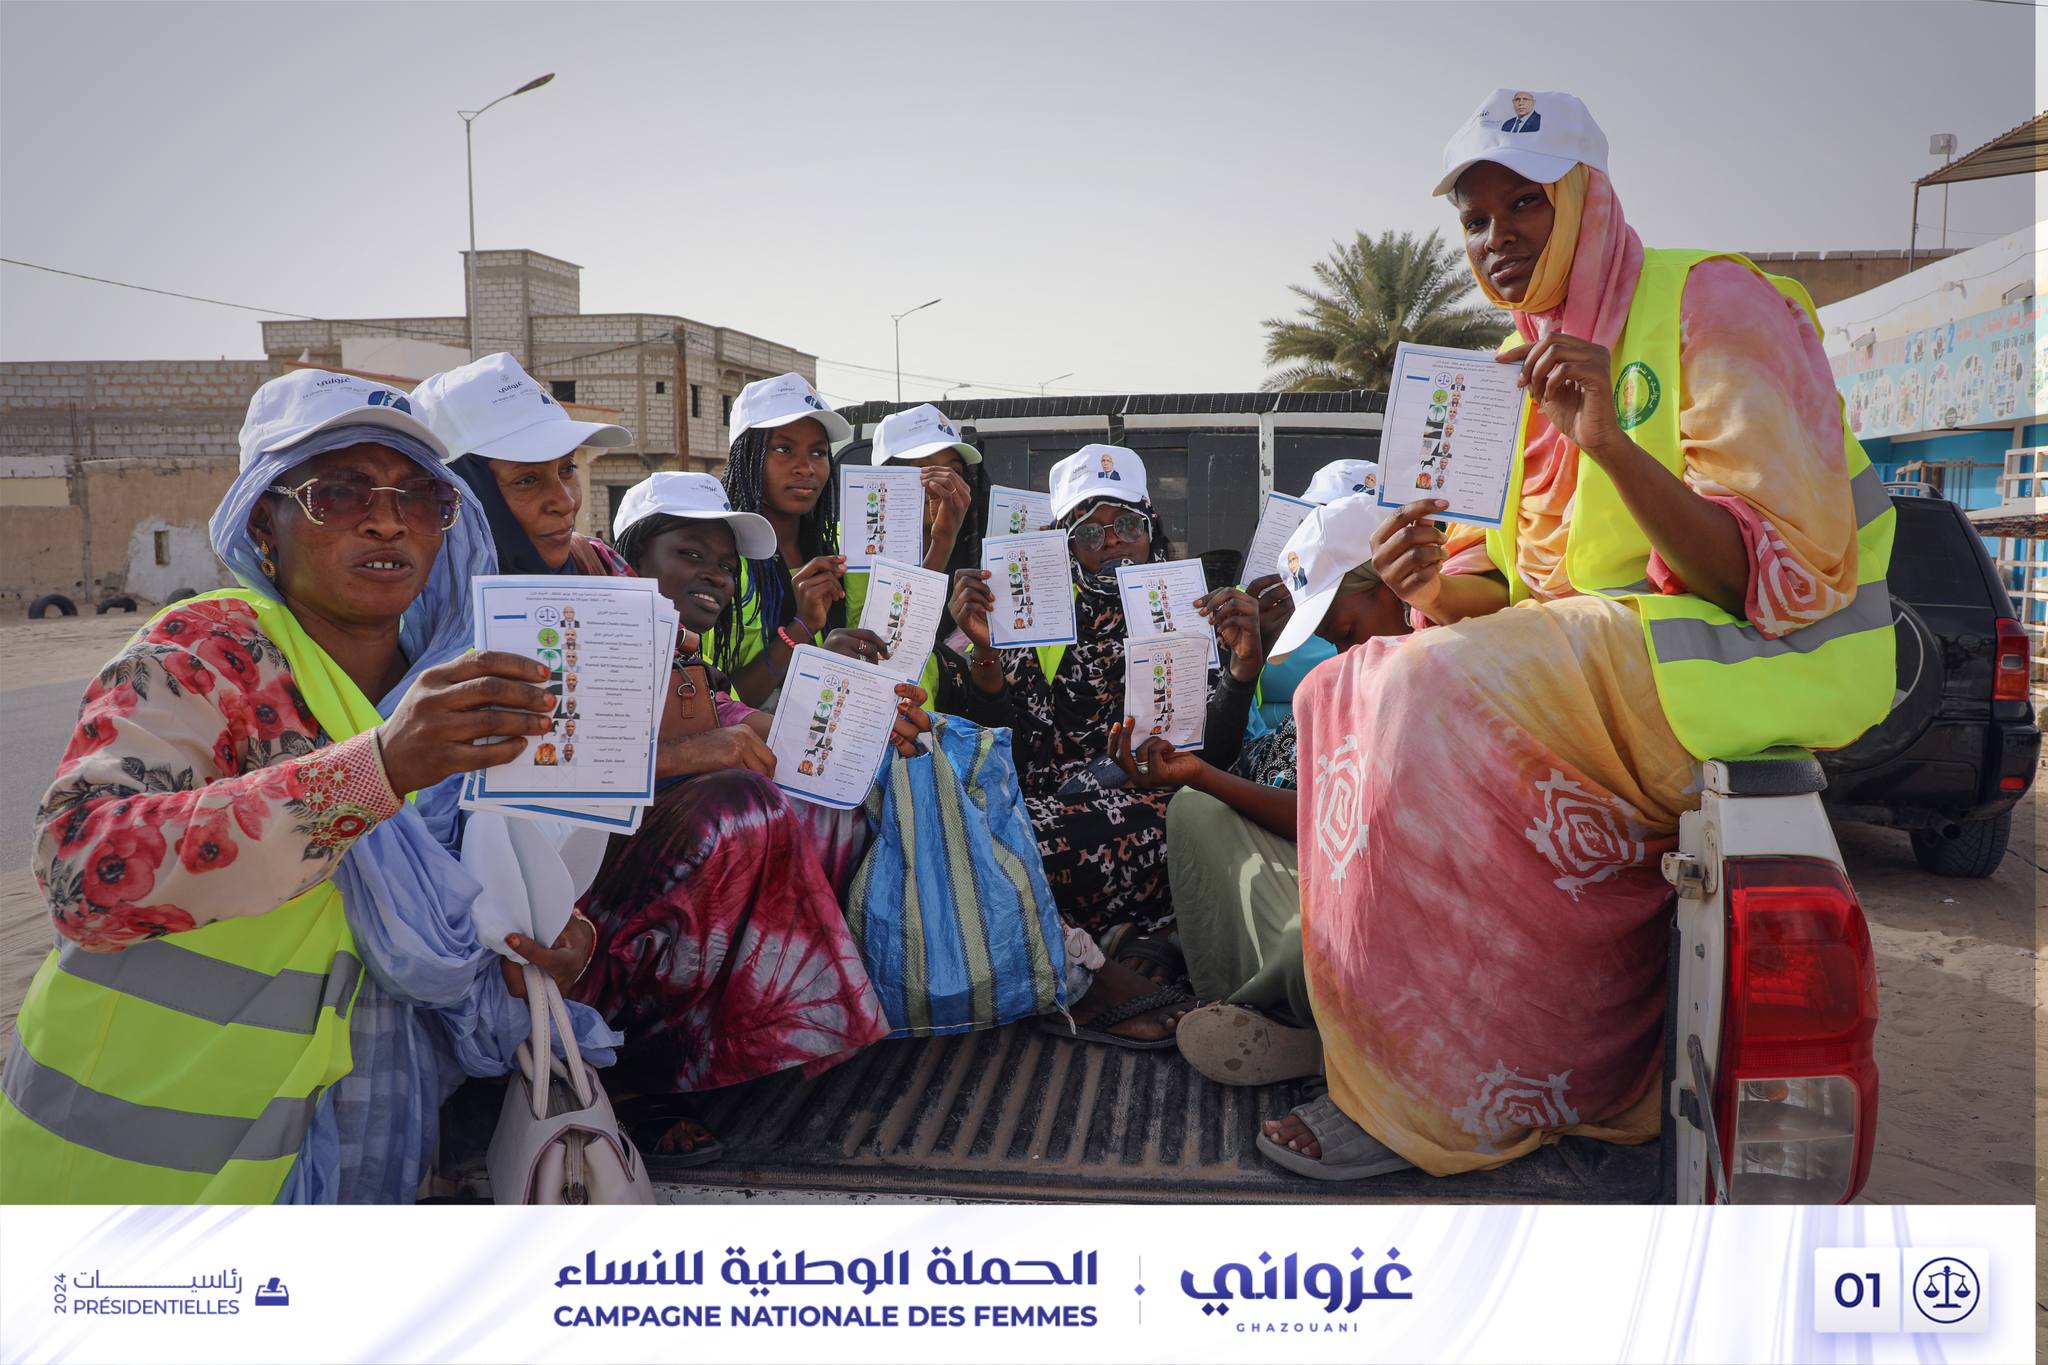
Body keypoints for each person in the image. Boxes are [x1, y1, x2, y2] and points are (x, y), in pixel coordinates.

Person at [1261, 89, 1892, 1181]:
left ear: (1586, 200)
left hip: (1746, 668)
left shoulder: (1713, 300)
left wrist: (1611, 445)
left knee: (1418, 691)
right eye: (1474, 219)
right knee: (1337, 688)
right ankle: (1397, 1042)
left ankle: (1446, 1098)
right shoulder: (1517, 365)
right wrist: (1430, 586)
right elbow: (1517, 592)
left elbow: (1766, 578)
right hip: (1599, 669)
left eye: (1525, 205)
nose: (1495, 237)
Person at [1, 370, 610, 1203]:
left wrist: (536, 949)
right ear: (265, 522)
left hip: (359, 1153)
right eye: (339, 492)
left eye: (418, 495)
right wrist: (375, 770)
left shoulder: (459, 687)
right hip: (134, 1174)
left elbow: (459, 908)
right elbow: (82, 873)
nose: (387, 519)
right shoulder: (204, 653)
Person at [576, 472, 931, 1162]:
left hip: (639, 896)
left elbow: (770, 730)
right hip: (574, 912)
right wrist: (692, 755)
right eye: (690, 554)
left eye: (724, 563)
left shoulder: (686, 663)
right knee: (742, 806)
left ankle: (728, 1034)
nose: (716, 575)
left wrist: (870, 727)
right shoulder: (588, 640)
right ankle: (625, 1072)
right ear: (633, 559)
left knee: (829, 803)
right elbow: (548, 766)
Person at [940, 444, 1265, 1046]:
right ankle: (1119, 950)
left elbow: (1214, 756)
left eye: (1128, 525)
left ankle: (1094, 963)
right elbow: (1005, 757)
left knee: (1193, 821)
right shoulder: (1027, 613)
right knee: (983, 837)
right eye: (1090, 533)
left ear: (1152, 528)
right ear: (1063, 545)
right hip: (1049, 817)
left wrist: (1242, 671)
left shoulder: (1190, 608)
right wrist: (986, 651)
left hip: (1161, 810)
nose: (1114, 542)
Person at [1113, 495, 1407, 1087]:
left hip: (1379, 888)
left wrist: (1202, 776)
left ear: (1394, 587)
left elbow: (1329, 822)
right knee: (1194, 811)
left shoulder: (1429, 673)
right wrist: (1200, 774)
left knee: (1322, 946)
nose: (1343, 651)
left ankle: (1315, 1033)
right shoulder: (1348, 676)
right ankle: (1297, 1020)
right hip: (1315, 853)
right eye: (1330, 637)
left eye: (1345, 631)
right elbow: (1310, 812)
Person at [714, 374, 964, 705]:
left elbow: (897, 637)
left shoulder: (845, 547)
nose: (805, 467)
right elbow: (712, 700)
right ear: (745, 455)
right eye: (784, 449)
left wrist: (942, 541)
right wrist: (801, 629)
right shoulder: (721, 562)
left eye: (818, 453)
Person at [411, 352, 634, 577]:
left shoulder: (603, 568)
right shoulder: (412, 596)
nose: (565, 503)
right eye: (527, 480)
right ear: (453, 494)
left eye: (567, 469)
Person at [853, 403, 983, 694]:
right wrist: (942, 543)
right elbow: (888, 643)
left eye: (954, 471)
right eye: (925, 471)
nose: (942, 483)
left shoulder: (975, 548)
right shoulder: (851, 548)